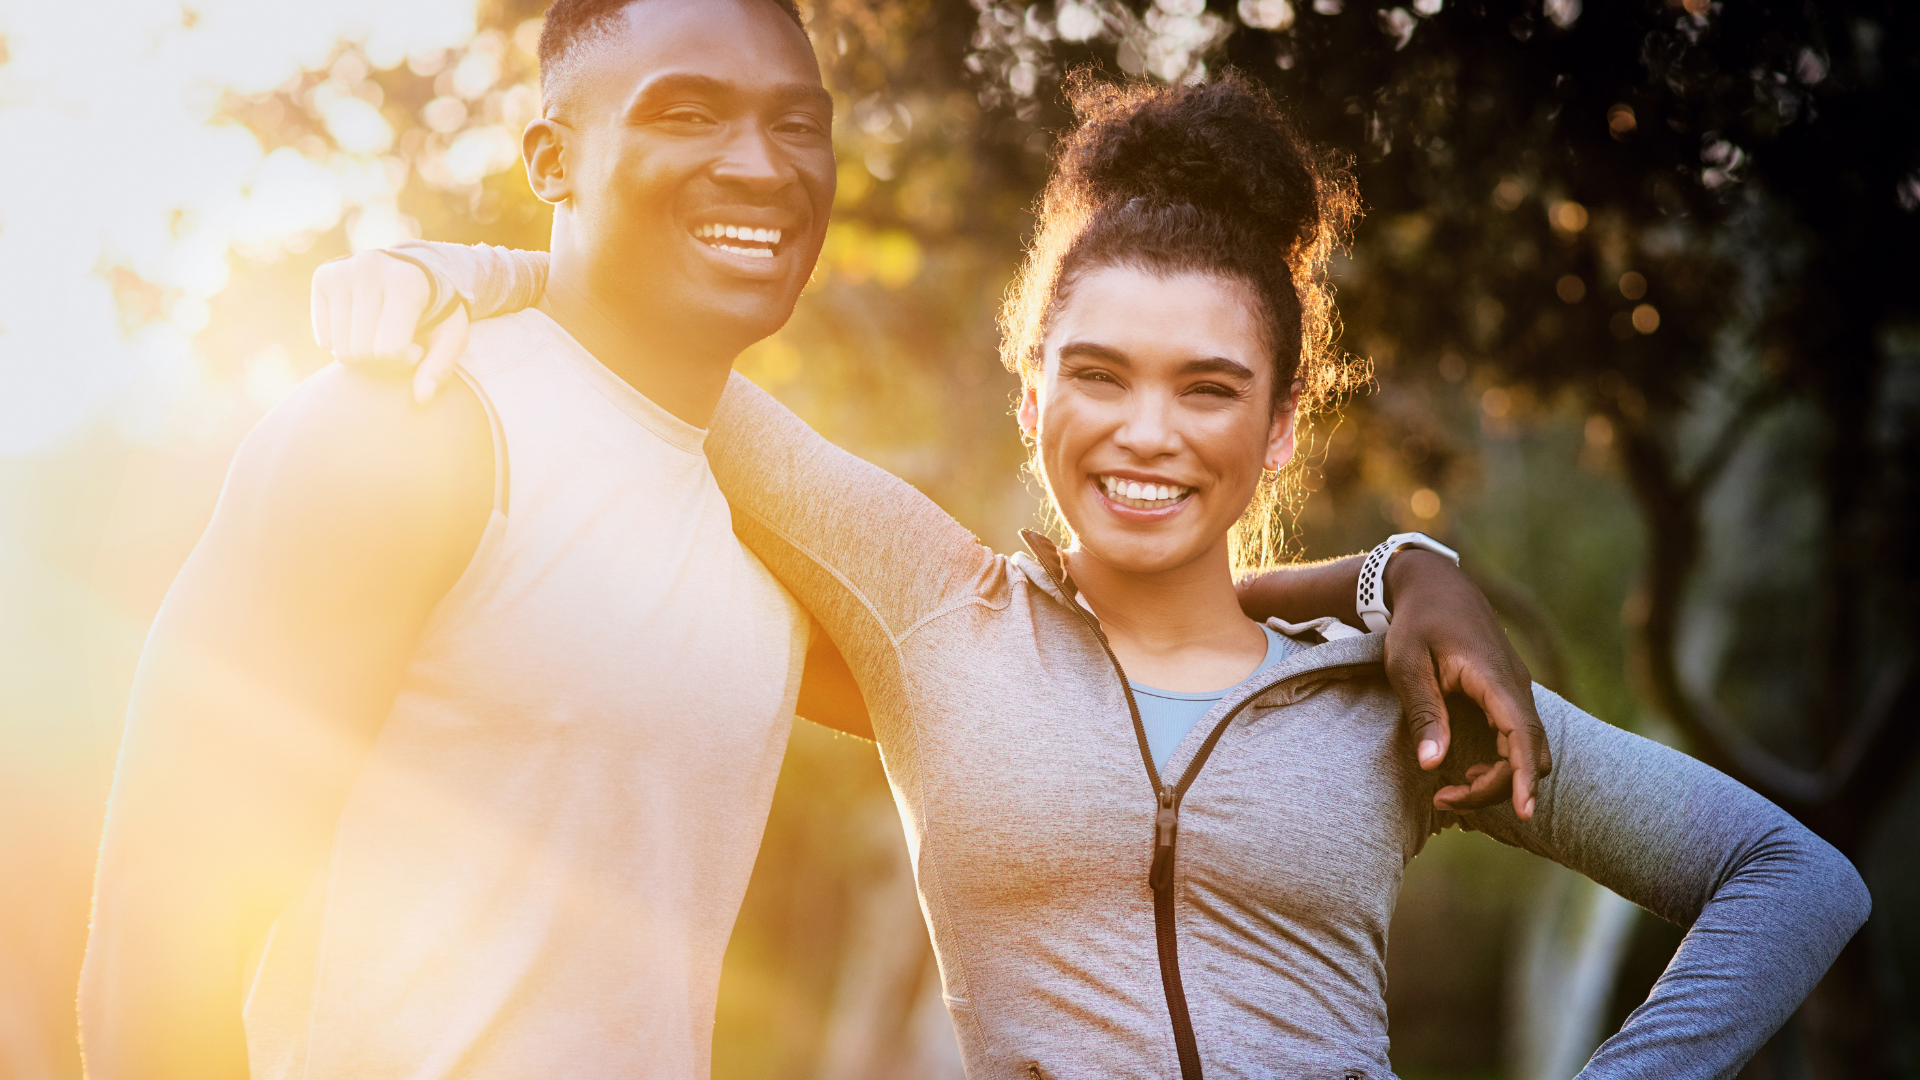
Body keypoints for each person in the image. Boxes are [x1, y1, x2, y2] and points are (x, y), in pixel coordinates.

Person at [79, 3, 1541, 1080]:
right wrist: (477, 272)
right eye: (687, 113)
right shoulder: (408, 427)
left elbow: (1088, 643)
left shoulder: (762, 528)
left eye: (798, 124)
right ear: (551, 154)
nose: (759, 164)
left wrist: (1399, 570)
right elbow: (163, 911)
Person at [330, 72, 1870, 1078]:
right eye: (1100, 375)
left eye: (1210, 389)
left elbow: (1793, 881)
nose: (1148, 432)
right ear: (1031, 396)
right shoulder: (933, 611)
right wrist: (455, 275)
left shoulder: (1387, 688)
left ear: (1277, 431)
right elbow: (648, 333)